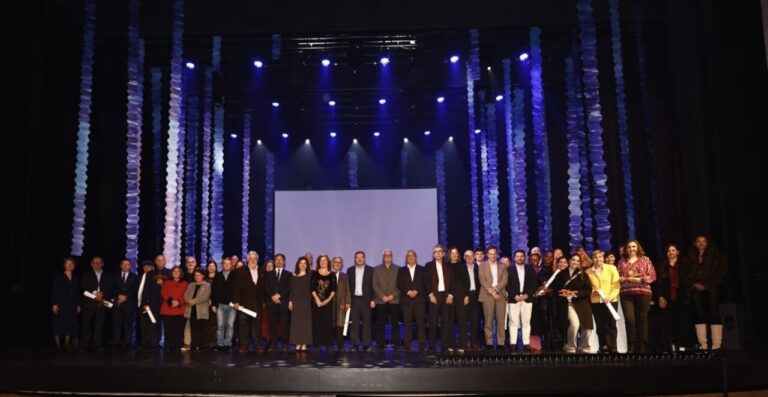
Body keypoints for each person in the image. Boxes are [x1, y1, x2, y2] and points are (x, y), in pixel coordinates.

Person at [687, 235, 728, 351]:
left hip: (711, 287)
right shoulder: (690, 257)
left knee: (714, 313)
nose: (701, 244)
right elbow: (686, 273)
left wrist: (705, 284)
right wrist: (694, 283)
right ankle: (703, 346)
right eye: (698, 241)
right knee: (699, 314)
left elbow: (720, 273)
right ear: (695, 243)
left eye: (704, 241)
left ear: (708, 243)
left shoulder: (716, 257)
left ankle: (716, 346)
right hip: (695, 287)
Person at [651, 244, 693, 352]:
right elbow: (657, 283)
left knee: (682, 322)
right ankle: (669, 346)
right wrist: (660, 297)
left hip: (682, 297)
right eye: (669, 251)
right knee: (667, 323)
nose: (671, 252)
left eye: (673, 250)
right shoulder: (661, 266)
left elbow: (689, 280)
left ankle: (682, 346)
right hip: (667, 298)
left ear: (678, 252)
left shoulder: (685, 264)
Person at [617, 240, 656, 353]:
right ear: (626, 249)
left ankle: (643, 346)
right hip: (626, 293)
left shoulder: (645, 259)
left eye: (634, 247)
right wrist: (621, 279)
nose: (631, 249)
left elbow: (652, 276)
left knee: (642, 319)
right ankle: (632, 345)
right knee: (629, 320)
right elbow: (618, 277)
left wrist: (639, 279)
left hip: (643, 292)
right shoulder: (621, 262)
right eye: (629, 247)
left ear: (638, 248)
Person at [552, 255, 593, 353]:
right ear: (569, 260)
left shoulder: (583, 274)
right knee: (575, 325)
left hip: (582, 303)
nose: (575, 262)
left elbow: (588, 290)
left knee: (587, 327)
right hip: (568, 304)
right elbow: (555, 289)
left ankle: (584, 347)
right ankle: (570, 346)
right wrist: (563, 293)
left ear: (580, 263)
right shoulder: (561, 274)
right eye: (573, 260)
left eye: (577, 261)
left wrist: (575, 293)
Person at [586, 250, 621, 353]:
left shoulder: (611, 268)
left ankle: (613, 347)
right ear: (592, 259)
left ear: (603, 257)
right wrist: (593, 292)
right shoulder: (588, 272)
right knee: (600, 324)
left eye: (600, 257)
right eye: (595, 257)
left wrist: (609, 297)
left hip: (611, 300)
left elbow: (616, 286)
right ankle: (603, 346)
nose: (598, 259)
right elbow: (587, 287)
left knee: (611, 324)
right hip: (596, 302)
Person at [231, 251, 266, 352]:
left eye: (255, 258)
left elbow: (264, 288)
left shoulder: (263, 271)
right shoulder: (240, 271)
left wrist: (264, 302)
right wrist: (236, 301)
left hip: (257, 303)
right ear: (247, 259)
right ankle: (244, 346)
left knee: (257, 325)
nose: (253, 260)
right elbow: (236, 288)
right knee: (243, 324)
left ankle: (257, 345)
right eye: (250, 258)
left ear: (257, 260)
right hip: (243, 303)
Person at [424, 244, 453, 353]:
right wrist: (430, 294)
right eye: (435, 251)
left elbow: (452, 282)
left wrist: (450, 294)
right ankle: (431, 345)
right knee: (433, 322)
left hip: (445, 297)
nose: (438, 253)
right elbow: (426, 281)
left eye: (440, 251)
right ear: (433, 254)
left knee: (446, 322)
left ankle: (444, 344)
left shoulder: (448, 265)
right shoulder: (428, 265)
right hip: (434, 297)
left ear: (444, 253)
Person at [507, 250, 538, 352]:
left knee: (526, 322)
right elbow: (507, 285)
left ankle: (526, 343)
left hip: (527, 299)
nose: (520, 258)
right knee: (513, 322)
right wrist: (514, 295)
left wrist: (527, 295)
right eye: (517, 256)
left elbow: (534, 285)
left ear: (525, 257)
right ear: (514, 258)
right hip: (513, 299)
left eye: (521, 256)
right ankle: (513, 343)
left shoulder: (530, 269)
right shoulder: (509, 269)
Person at [478, 246, 508, 350]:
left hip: (500, 294)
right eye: (490, 254)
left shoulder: (502, 266)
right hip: (487, 295)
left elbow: (505, 280)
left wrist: (496, 290)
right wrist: (492, 292)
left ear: (497, 254)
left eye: (494, 253)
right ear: (487, 255)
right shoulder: (482, 265)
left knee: (501, 320)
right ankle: (489, 342)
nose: (492, 256)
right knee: (488, 319)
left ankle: (501, 342)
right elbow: (482, 280)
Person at [80, 256, 112, 351]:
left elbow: (110, 287)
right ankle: (84, 344)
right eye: (95, 262)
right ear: (91, 264)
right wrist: (95, 294)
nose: (97, 264)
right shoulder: (86, 274)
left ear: (102, 264)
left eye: (99, 262)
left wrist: (102, 293)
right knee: (86, 324)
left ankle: (96, 344)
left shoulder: (107, 275)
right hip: (89, 302)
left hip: (102, 303)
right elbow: (83, 287)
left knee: (99, 324)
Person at [398, 249, 426, 352]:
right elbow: (399, 283)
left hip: (419, 300)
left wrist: (417, 291)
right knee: (407, 323)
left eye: (413, 255)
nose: (411, 257)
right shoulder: (401, 270)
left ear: (416, 258)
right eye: (408, 256)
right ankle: (407, 344)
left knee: (421, 323)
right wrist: (408, 292)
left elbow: (424, 283)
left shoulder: (422, 269)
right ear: (406, 258)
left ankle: (422, 343)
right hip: (406, 300)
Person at [138, 255, 168, 349]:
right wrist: (144, 303)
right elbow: (145, 289)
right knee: (153, 323)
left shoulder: (170, 272)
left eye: (162, 260)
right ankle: (154, 342)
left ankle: (168, 343)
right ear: (155, 262)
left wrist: (163, 284)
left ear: (165, 261)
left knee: (167, 324)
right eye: (158, 260)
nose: (160, 261)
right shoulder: (150, 274)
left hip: (166, 303)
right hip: (153, 303)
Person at [372, 249, 400, 351]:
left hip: (394, 300)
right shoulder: (376, 269)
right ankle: (380, 345)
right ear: (383, 257)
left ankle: (397, 345)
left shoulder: (398, 269)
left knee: (395, 323)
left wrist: (392, 296)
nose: (388, 257)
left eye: (390, 255)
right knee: (380, 324)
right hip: (381, 300)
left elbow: (400, 285)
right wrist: (383, 296)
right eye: (386, 255)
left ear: (392, 257)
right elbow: (374, 285)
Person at [347, 251, 375, 351]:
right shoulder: (349, 270)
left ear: (364, 258)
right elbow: (348, 287)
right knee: (354, 323)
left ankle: (366, 344)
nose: (359, 259)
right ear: (355, 259)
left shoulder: (371, 270)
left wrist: (373, 299)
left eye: (361, 257)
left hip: (366, 299)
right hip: (354, 299)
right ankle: (355, 344)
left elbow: (373, 286)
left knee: (366, 323)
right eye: (357, 257)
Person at [51, 257, 80, 351]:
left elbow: (77, 292)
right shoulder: (59, 276)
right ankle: (58, 345)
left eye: (72, 264)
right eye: (68, 263)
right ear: (64, 265)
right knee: (59, 324)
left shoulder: (75, 278)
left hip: (71, 304)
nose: (70, 265)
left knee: (69, 324)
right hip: (61, 303)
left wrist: (78, 305)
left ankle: (67, 344)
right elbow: (54, 291)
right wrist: (54, 304)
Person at [265, 253, 291, 351]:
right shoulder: (269, 274)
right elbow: (266, 287)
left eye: (281, 260)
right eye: (277, 259)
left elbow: (288, 288)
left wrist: (279, 296)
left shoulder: (288, 274)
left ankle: (285, 345)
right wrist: (273, 296)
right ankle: (272, 344)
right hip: (272, 304)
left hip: (283, 303)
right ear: (274, 261)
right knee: (272, 326)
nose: (279, 261)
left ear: (284, 262)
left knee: (284, 325)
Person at [446, 246, 469, 352]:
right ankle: (450, 344)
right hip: (449, 297)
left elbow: (466, 281)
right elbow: (446, 283)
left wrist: (467, 295)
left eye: (456, 253)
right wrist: (449, 294)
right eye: (452, 253)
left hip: (460, 295)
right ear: (449, 254)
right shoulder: (445, 266)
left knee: (462, 321)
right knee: (449, 321)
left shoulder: (463, 266)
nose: (454, 255)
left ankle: (462, 345)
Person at [311, 255, 337, 349]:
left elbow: (334, 290)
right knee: (317, 323)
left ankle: (328, 344)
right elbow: (312, 288)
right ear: (318, 262)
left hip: (328, 302)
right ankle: (317, 344)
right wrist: (317, 300)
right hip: (316, 302)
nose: (323, 262)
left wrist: (327, 301)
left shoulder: (332, 274)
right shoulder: (314, 273)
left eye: (325, 260)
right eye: (321, 260)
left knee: (327, 323)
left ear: (328, 262)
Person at [112, 258, 139, 348]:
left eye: (128, 264)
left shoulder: (134, 277)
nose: (125, 266)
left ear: (130, 266)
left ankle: (128, 342)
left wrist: (125, 296)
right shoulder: (115, 276)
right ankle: (116, 342)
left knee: (128, 324)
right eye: (124, 264)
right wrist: (118, 295)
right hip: (117, 303)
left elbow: (135, 290)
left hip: (129, 304)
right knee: (116, 324)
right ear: (120, 265)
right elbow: (112, 288)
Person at [160, 266, 188, 351]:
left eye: (178, 271)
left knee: (179, 329)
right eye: (174, 271)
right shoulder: (166, 282)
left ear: (181, 273)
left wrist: (179, 302)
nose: (176, 273)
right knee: (168, 329)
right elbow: (163, 293)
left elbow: (187, 295)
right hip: (167, 309)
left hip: (180, 310)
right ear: (171, 273)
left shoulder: (185, 283)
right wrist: (171, 301)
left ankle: (178, 345)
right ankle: (168, 345)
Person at [211, 257, 236, 350]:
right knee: (220, 326)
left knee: (230, 325)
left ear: (231, 265)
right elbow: (213, 291)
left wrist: (237, 302)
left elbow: (237, 291)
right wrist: (213, 304)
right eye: (225, 263)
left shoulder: (235, 276)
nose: (226, 265)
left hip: (232, 305)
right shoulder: (217, 276)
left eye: (228, 264)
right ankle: (220, 344)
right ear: (222, 265)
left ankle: (228, 344)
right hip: (220, 305)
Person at [184, 269, 211, 350]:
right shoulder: (191, 285)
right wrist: (188, 300)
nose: (197, 277)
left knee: (201, 328)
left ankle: (202, 345)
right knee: (193, 327)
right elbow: (186, 295)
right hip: (191, 309)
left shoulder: (207, 285)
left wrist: (194, 301)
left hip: (201, 310)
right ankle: (194, 345)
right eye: (195, 275)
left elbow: (205, 296)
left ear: (203, 276)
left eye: (199, 275)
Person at [289, 257, 312, 352]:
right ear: (298, 264)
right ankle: (298, 342)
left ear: (307, 265)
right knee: (297, 323)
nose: (302, 265)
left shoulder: (310, 275)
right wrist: (290, 301)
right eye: (301, 263)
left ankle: (305, 343)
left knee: (305, 324)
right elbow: (292, 289)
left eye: (304, 263)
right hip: (296, 302)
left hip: (306, 302)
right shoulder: (294, 275)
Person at [462, 250, 482, 350]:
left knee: (475, 320)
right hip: (465, 296)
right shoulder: (460, 268)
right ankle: (464, 342)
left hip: (476, 295)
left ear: (474, 257)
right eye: (467, 256)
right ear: (464, 257)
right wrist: (465, 295)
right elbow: (458, 284)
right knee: (464, 320)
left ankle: (474, 341)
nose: (470, 258)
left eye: (471, 256)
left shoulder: (478, 268)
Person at [332, 256, 351, 351]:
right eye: (335, 262)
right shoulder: (327, 274)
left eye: (339, 262)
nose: (337, 264)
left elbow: (348, 291)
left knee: (340, 325)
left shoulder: (345, 276)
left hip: (341, 303)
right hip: (328, 304)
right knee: (329, 325)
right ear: (332, 263)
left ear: (342, 265)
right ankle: (329, 345)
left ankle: (340, 345)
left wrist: (348, 302)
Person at [204, 261, 219, 348]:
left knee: (215, 324)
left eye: (213, 266)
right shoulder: (204, 279)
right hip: (205, 304)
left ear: (216, 268)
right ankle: (206, 343)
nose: (212, 267)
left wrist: (214, 303)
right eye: (210, 266)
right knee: (206, 324)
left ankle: (214, 343)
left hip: (215, 304)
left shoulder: (219, 278)